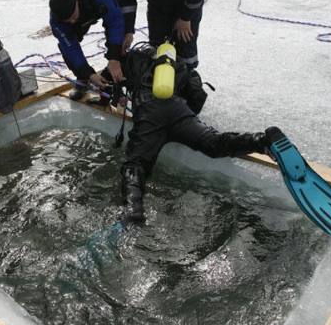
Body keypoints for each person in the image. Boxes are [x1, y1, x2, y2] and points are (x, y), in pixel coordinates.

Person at [113, 44, 279, 225]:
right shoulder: (176, 65)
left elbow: (110, 79)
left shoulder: (130, 59)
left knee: (136, 163)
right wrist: (188, 118)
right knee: (213, 142)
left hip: (149, 114)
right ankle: (262, 140)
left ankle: (133, 209)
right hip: (178, 111)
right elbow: (198, 94)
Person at [48, 0, 133, 101]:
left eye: (72, 16)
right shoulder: (57, 19)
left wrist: (114, 58)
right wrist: (89, 74)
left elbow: (115, 23)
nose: (71, 21)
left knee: (118, 43)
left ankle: (116, 83)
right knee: (66, 47)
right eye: (67, 20)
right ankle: (82, 80)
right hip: (84, 10)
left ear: (77, 3)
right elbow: (70, 47)